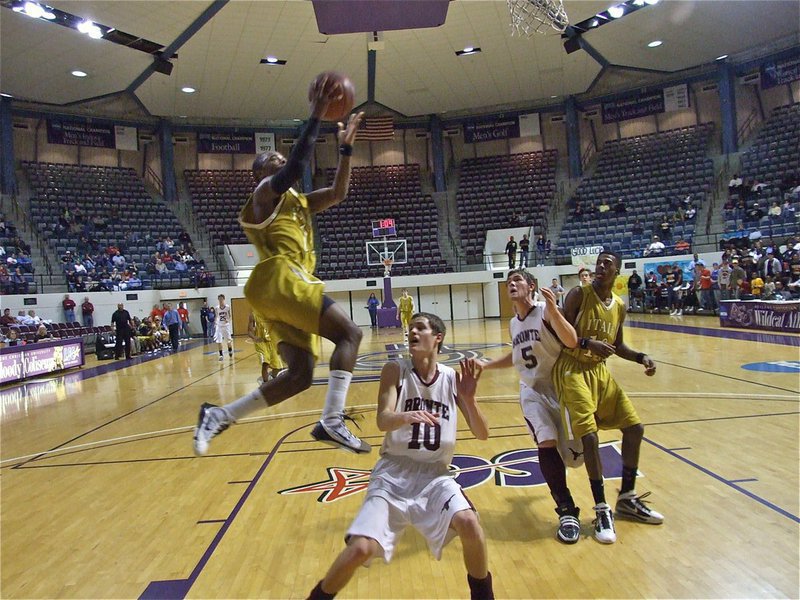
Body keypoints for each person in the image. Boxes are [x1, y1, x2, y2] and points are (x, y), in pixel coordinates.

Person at [192, 80, 371, 457]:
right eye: (269, 161)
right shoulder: (262, 196)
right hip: (279, 276)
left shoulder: (301, 202)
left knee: (301, 374)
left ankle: (220, 414)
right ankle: (333, 421)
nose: (276, 160)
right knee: (350, 334)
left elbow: (339, 193)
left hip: (273, 293)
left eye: (277, 158)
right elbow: (292, 168)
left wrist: (346, 150)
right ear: (259, 174)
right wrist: (318, 112)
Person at [307, 312, 494, 600]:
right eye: (410, 330)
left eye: (420, 328)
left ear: (438, 337)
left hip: (435, 475)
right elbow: (383, 420)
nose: (413, 333)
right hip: (393, 473)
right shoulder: (395, 370)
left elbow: (482, 433)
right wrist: (405, 416)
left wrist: (469, 399)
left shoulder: (452, 379)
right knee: (361, 549)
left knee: (470, 524)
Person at [553, 249, 663, 544]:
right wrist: (588, 342)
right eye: (599, 262)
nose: (601, 266)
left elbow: (618, 345)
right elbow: (559, 334)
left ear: (617, 272)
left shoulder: (619, 306)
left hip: (599, 372)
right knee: (589, 436)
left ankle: (626, 498)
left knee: (635, 428)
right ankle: (601, 507)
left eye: (608, 264)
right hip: (572, 368)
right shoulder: (578, 294)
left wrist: (641, 357)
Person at [478, 271, 583, 544]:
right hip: (532, 390)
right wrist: (487, 365)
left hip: (562, 389)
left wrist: (554, 311)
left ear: (531, 286)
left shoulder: (546, 312)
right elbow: (516, 357)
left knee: (576, 458)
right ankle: (566, 509)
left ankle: (600, 504)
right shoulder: (514, 323)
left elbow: (571, 341)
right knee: (545, 442)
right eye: (508, 282)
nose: (511, 284)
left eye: (517, 280)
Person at [248, 311, 285, 384]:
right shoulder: (253, 315)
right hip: (261, 344)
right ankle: (265, 384)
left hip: (272, 342)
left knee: (277, 367)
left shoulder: (272, 313)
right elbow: (249, 331)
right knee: (265, 364)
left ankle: (273, 380)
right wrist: (254, 337)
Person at [213, 293, 234, 361]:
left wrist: (228, 320)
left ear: (224, 299)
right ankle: (221, 355)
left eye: (221, 299)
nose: (220, 300)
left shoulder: (227, 307)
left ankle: (230, 350)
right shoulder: (216, 308)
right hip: (219, 325)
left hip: (226, 325)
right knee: (219, 340)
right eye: (219, 299)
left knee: (228, 340)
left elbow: (230, 316)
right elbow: (216, 316)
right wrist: (215, 322)